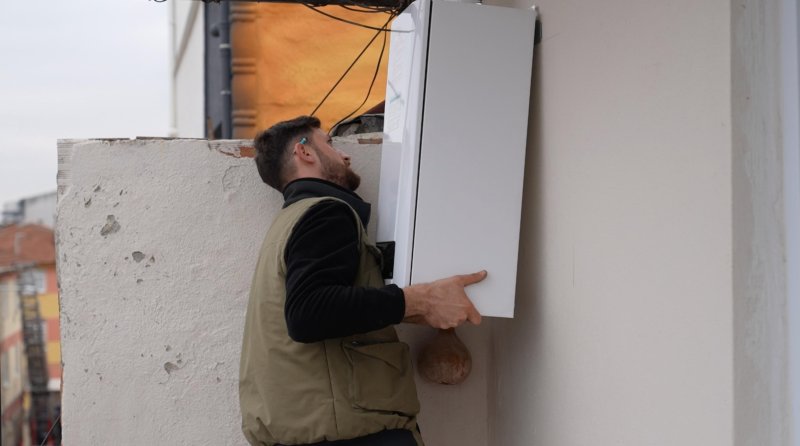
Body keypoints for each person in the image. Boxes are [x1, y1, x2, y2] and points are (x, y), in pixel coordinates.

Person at [239, 116, 486, 446]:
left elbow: (317, 305)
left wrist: (410, 309)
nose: (344, 155)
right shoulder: (326, 213)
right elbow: (309, 312)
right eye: (329, 143)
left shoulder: (286, 225)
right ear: (305, 152)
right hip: (352, 431)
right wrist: (421, 300)